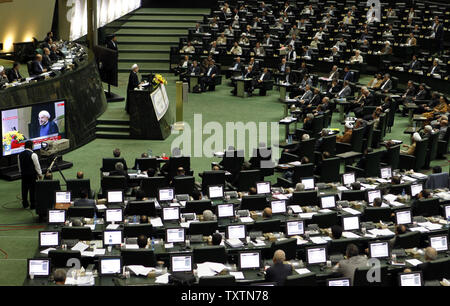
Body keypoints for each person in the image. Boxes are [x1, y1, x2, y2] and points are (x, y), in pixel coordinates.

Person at [18, 140, 42, 209]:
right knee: (32, 190)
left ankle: (25, 204)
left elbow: (19, 165)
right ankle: (33, 205)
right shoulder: (33, 154)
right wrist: (40, 174)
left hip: (24, 175)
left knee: (24, 189)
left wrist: (21, 172)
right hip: (32, 175)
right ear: (31, 146)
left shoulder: (19, 155)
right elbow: (37, 165)